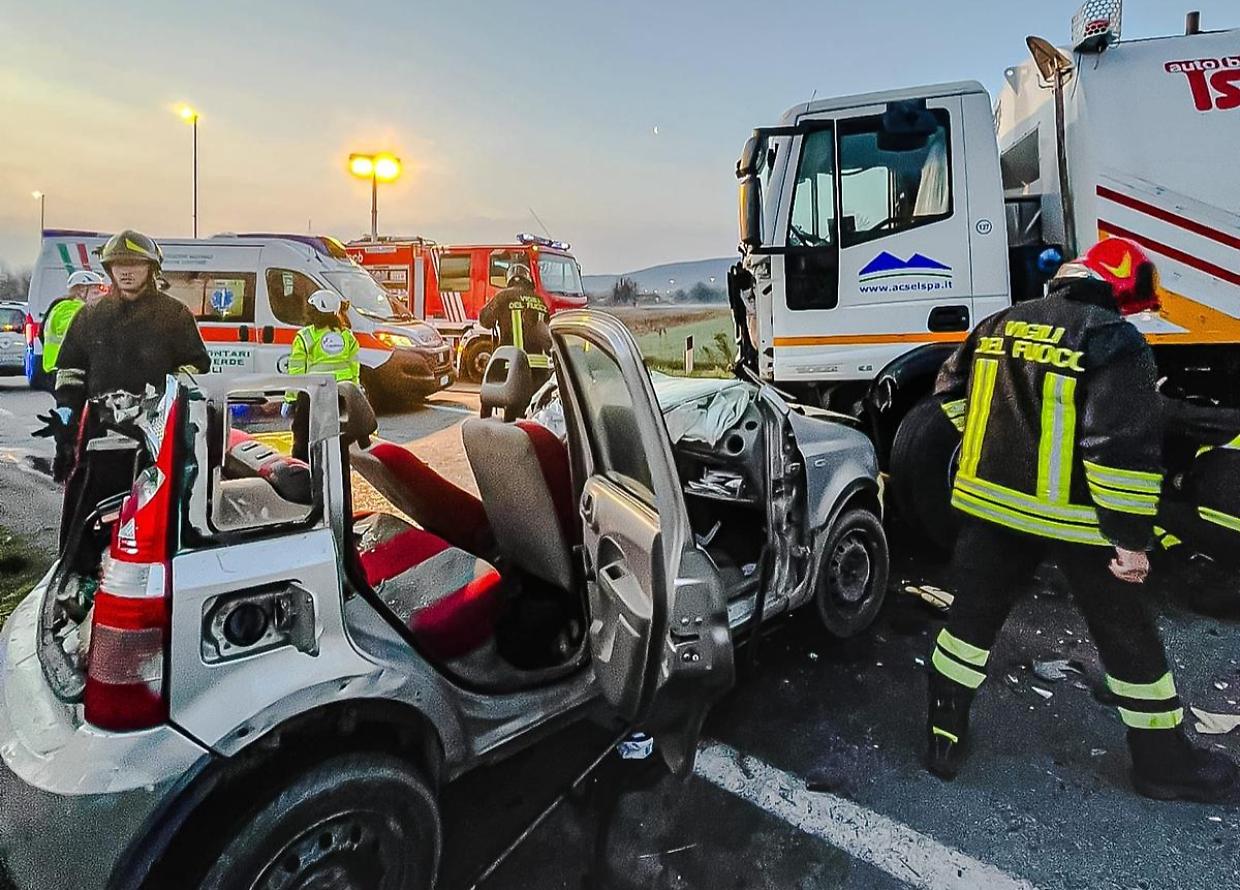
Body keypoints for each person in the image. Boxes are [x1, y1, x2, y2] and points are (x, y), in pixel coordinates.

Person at [927, 236, 1237, 802]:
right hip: (1079, 523)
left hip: (993, 510)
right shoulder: (1114, 340)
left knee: (968, 625)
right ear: (1116, 288)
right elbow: (1118, 448)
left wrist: (993, 446)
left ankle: (944, 734)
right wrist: (1131, 540)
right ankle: (1162, 765)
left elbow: (949, 392)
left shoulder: (999, 324)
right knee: (1127, 639)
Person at [40, 230, 210, 481]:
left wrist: (165, 398)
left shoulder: (174, 314)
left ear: (151, 268)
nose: (126, 271)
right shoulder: (90, 315)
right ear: (110, 269)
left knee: (159, 513)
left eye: (135, 264)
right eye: (119, 264)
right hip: (101, 432)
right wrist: (66, 414)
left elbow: (198, 366)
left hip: (159, 433)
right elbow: (70, 370)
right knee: (93, 508)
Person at [285, 288, 361, 461]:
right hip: (341, 396)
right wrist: (355, 394)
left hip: (311, 396)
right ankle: (340, 485)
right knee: (339, 445)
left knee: (303, 442)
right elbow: (354, 368)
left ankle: (304, 480)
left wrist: (291, 399)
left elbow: (296, 370)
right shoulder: (347, 336)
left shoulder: (305, 336)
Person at [478, 263, 552, 382]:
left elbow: (485, 321)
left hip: (512, 364)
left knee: (506, 398)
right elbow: (548, 334)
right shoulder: (540, 301)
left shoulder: (503, 296)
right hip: (540, 368)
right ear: (528, 279)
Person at [41, 270, 107, 377]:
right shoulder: (69, 308)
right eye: (95, 292)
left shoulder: (65, 306)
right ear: (81, 291)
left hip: (65, 367)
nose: (99, 297)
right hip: (63, 369)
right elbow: (78, 332)